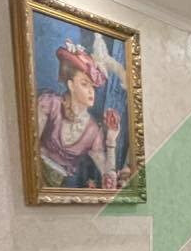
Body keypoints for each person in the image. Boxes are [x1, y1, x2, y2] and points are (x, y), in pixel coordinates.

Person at [35, 39, 129, 189]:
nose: (91, 91)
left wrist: (111, 139)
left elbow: (108, 179)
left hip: (55, 190)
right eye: (84, 84)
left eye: (93, 86)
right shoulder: (50, 103)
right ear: (71, 85)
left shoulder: (93, 130)